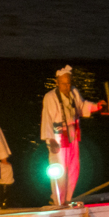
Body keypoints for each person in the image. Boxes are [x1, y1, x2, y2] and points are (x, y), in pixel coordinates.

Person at [41, 66, 105, 205]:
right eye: (64, 83)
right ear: (57, 82)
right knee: (59, 170)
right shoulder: (50, 97)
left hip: (72, 134)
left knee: (74, 168)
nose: (67, 86)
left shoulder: (74, 92)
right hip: (58, 136)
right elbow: (47, 119)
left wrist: (97, 106)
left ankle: (67, 199)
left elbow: (82, 107)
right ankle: (57, 200)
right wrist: (50, 139)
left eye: (69, 83)